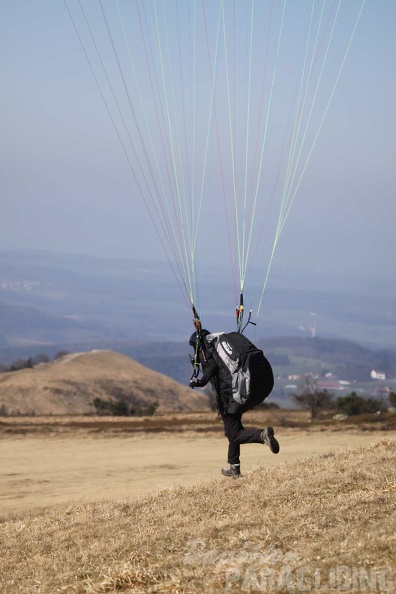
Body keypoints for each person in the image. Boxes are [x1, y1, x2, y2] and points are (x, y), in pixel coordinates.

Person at [189, 329, 279, 478]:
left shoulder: (210, 357)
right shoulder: (219, 349)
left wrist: (197, 382)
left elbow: (206, 376)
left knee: (234, 434)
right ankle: (234, 467)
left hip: (228, 400)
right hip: (237, 393)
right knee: (233, 432)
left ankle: (262, 435)